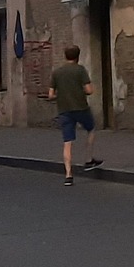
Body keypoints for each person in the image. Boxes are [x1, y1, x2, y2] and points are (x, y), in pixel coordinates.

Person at [49, 45, 97, 185]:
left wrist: (61, 95)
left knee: (67, 142)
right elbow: (89, 90)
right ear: (78, 56)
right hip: (81, 108)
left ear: (65, 56)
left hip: (64, 110)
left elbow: (51, 95)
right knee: (91, 129)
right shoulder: (80, 70)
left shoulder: (57, 73)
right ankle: (88, 159)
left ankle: (68, 175)